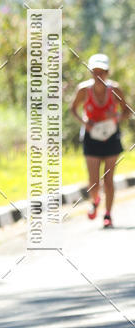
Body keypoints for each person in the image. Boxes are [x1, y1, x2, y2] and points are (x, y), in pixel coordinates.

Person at [70, 53, 129, 228]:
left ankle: (108, 214)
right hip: (91, 137)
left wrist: (116, 116)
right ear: (90, 73)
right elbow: (73, 109)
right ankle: (95, 200)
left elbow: (127, 111)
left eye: (101, 72)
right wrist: (84, 123)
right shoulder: (83, 90)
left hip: (111, 137)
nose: (98, 76)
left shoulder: (116, 90)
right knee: (94, 181)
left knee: (109, 179)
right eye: (95, 72)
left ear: (107, 73)